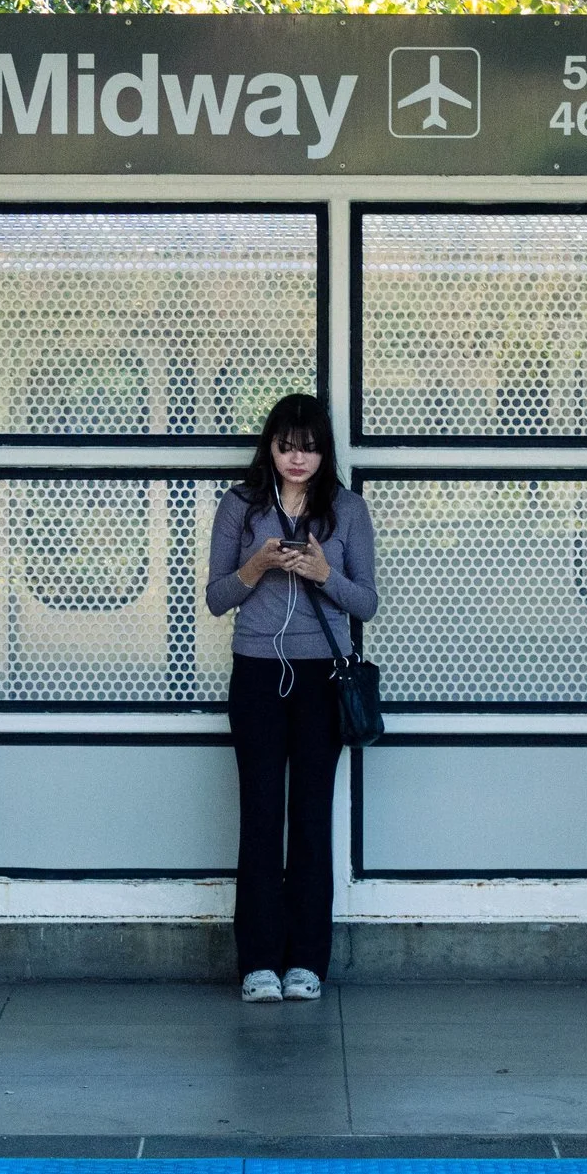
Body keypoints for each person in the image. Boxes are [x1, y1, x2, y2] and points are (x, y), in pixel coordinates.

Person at [205, 393, 377, 1004]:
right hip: (256, 674)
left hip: (321, 680)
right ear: (270, 448)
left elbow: (367, 604)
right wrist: (257, 566)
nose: (297, 459)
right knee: (259, 817)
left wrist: (323, 575)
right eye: (286, 446)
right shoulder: (241, 506)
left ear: (325, 452)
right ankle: (257, 963)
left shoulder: (348, 510)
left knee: (309, 817)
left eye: (309, 448)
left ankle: (306, 961)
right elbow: (217, 598)